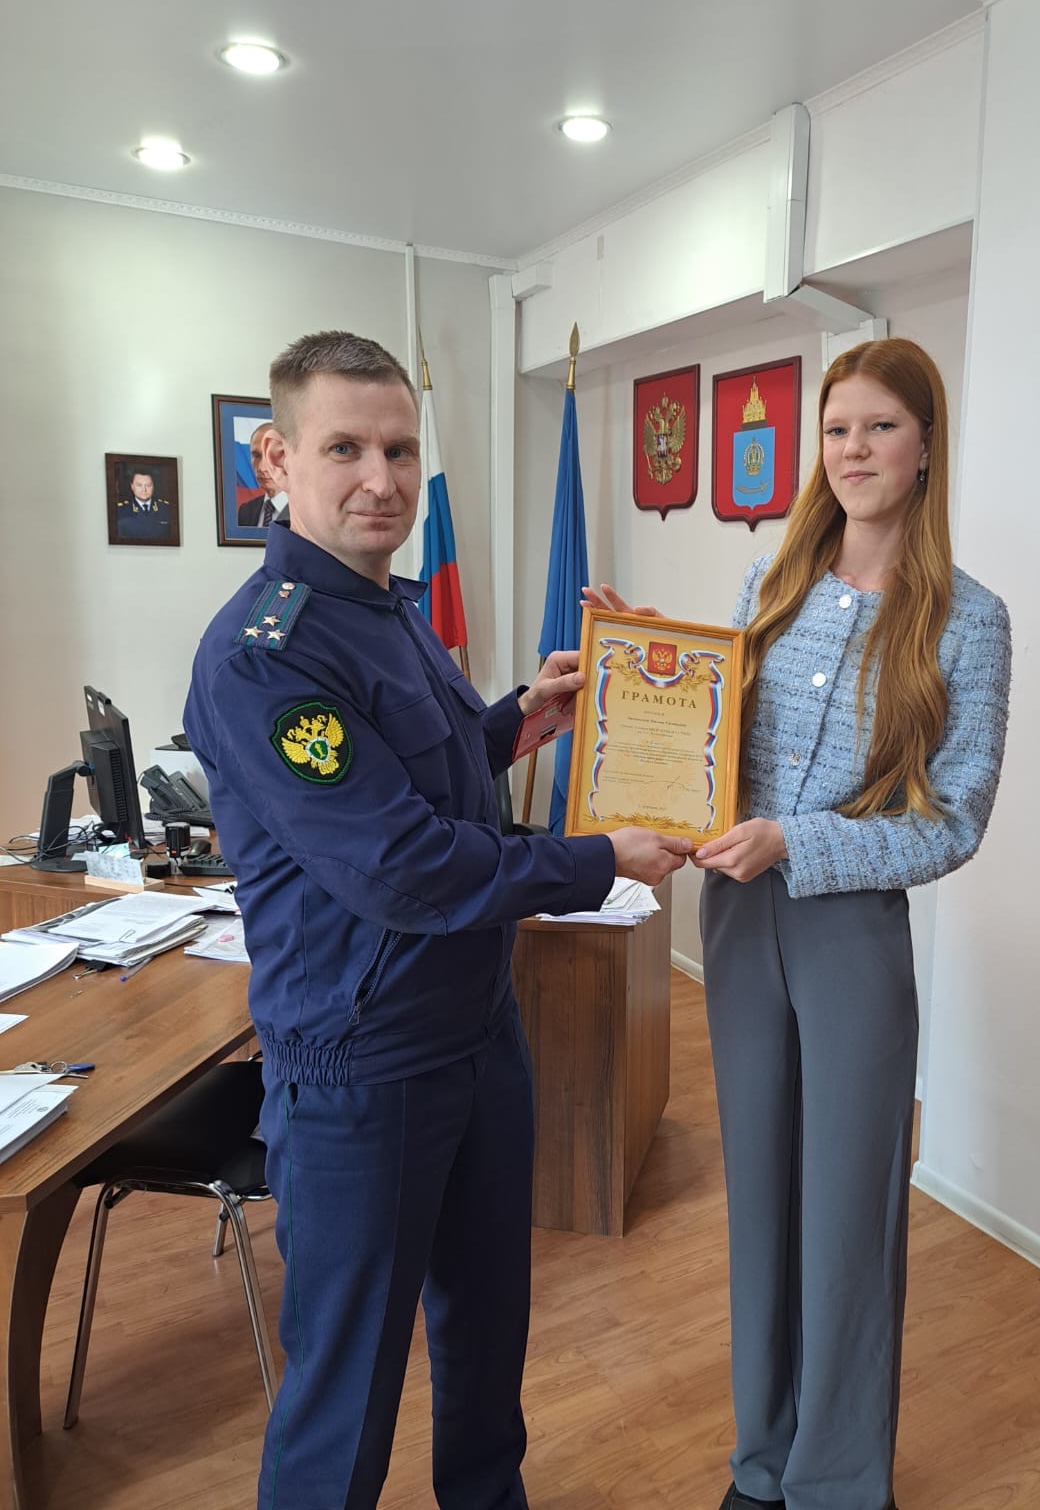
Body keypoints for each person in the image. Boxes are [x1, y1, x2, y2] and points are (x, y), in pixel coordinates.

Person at [184, 329, 689, 1510]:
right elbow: (402, 866)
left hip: (475, 1031)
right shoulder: (262, 657)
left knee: (486, 1338)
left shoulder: (391, 609)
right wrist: (597, 858)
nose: (383, 479)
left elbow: (427, 774)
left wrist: (518, 719)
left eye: (401, 450)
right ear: (276, 459)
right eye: (345, 448)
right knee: (347, 1390)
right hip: (363, 1066)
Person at [586, 337, 1011, 1510]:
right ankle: (761, 1462)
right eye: (837, 430)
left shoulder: (969, 620)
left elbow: (953, 820)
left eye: (880, 426)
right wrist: (650, 673)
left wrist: (798, 843)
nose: (854, 450)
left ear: (926, 446)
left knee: (847, 1211)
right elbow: (718, 749)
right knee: (762, 1201)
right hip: (738, 919)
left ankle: (837, 1481)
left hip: (848, 932)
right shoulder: (769, 588)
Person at [237, 420, 289, 527]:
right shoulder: (245, 511)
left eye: (271, 455)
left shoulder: (307, 513)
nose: (262, 468)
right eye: (256, 455)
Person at [115, 466, 172, 539]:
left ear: (153, 486)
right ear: (132, 487)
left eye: (148, 485)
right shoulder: (121, 511)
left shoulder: (166, 509)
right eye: (139, 485)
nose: (144, 490)